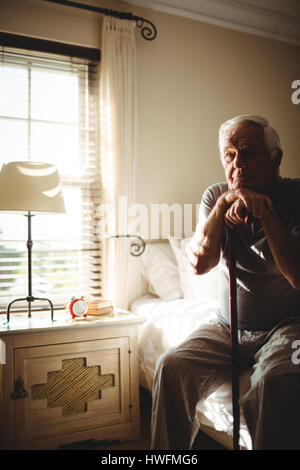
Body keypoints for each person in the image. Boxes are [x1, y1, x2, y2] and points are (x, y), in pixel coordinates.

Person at [151, 115, 300, 450]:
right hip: (227, 326)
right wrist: (221, 208)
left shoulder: (295, 196)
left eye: (249, 153)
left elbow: (296, 274)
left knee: (273, 382)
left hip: (288, 326)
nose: (239, 164)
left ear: (275, 159)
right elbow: (200, 264)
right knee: (171, 367)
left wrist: (266, 214)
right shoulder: (216, 195)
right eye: (230, 156)